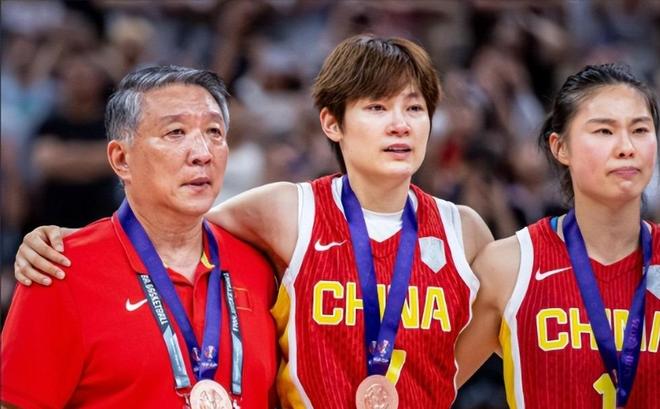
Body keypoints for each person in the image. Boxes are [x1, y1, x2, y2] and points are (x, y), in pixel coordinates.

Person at [12, 35, 493, 408]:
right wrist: (73, 243)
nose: (400, 124)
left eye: (415, 108)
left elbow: (468, 350)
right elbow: (162, 225)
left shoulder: (466, 231)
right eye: (377, 107)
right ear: (331, 123)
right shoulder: (284, 213)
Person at [2, 66, 278, 408]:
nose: (203, 153)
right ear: (121, 159)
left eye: (214, 132)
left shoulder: (260, 267)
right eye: (175, 132)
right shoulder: (57, 269)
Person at [454, 63, 659, 408]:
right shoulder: (507, 267)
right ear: (560, 147)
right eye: (604, 131)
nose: (626, 147)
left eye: (640, 130)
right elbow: (423, 387)